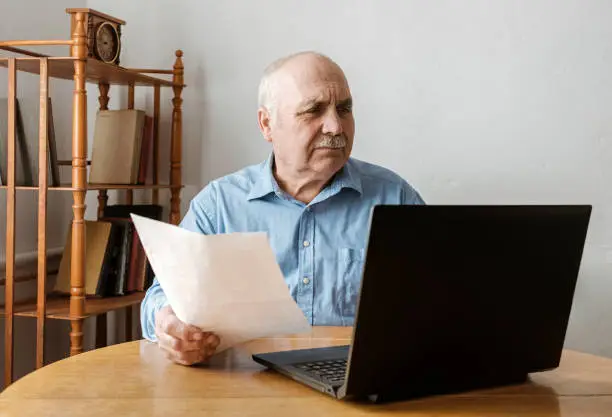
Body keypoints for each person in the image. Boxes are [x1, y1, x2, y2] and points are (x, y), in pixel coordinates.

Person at [140, 51, 425, 366]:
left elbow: (442, 300)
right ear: (267, 124)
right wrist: (168, 324)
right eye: (313, 110)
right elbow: (160, 297)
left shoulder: (394, 198)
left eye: (344, 109)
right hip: (244, 388)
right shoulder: (220, 205)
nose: (335, 126)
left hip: (360, 387)